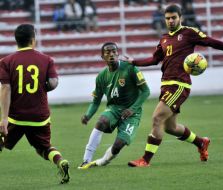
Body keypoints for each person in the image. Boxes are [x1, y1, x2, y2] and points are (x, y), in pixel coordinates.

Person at [123, 4, 223, 167]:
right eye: (167, 18)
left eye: (173, 18)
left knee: (157, 118)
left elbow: (212, 42)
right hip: (166, 85)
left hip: (179, 85)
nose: (170, 21)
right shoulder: (163, 39)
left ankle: (145, 160)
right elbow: (154, 59)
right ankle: (201, 142)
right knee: (170, 127)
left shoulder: (188, 33)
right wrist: (134, 62)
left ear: (180, 18)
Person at [0, 24, 70, 183]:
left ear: (16, 40)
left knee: (0, 141)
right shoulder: (46, 59)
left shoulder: (6, 61)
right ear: (33, 39)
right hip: (40, 116)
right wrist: (43, 87)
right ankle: (60, 161)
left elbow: (5, 88)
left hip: (16, 117)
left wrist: (4, 118)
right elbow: (53, 82)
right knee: (43, 148)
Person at [78, 42, 150, 169]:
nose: (111, 54)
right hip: (114, 109)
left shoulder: (130, 68)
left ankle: (101, 162)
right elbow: (96, 101)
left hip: (133, 113)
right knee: (101, 122)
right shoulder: (101, 77)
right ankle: (86, 160)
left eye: (114, 51)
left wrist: (132, 109)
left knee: (118, 145)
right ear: (102, 57)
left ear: (118, 53)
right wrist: (88, 115)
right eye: (107, 52)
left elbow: (146, 91)